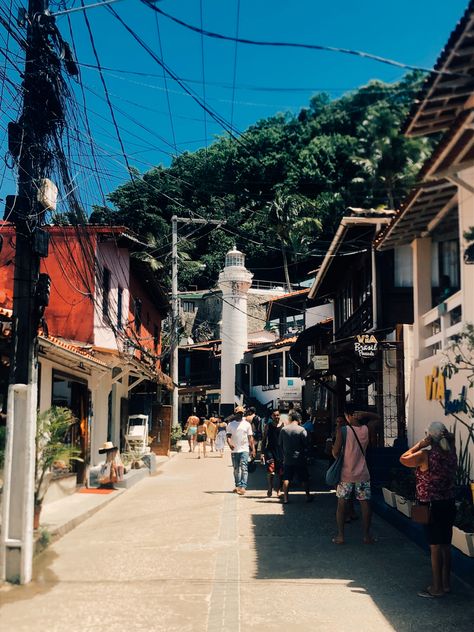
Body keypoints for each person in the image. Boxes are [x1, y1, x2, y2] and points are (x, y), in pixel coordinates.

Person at [400, 421, 457, 598]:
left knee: (434, 547)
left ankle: (436, 587)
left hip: (431, 505)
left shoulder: (425, 455)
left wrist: (420, 444)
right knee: (446, 545)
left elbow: (403, 459)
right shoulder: (451, 453)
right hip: (448, 502)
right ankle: (446, 584)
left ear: (429, 436)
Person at [332, 404, 378, 544]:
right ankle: (366, 536)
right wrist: (365, 413)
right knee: (365, 505)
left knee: (341, 505)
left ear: (348, 415)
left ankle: (341, 536)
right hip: (363, 474)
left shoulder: (343, 430)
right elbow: (378, 418)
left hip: (346, 474)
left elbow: (335, 452)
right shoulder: (366, 429)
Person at [279, 410, 312, 504]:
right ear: (298, 419)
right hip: (300, 458)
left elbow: (280, 444)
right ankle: (307, 496)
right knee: (304, 478)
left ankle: (285, 498)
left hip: (287, 458)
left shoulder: (284, 429)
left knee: (286, 478)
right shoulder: (301, 430)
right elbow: (306, 444)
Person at [226, 406, 256, 495]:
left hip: (244, 449)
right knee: (236, 469)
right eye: (238, 413)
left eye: (241, 413)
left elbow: (250, 438)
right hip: (235, 450)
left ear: (243, 414)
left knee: (244, 468)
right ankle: (237, 485)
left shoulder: (247, 424)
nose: (240, 414)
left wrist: (253, 449)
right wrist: (230, 444)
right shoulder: (230, 424)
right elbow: (228, 436)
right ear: (235, 414)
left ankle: (243, 486)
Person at [261, 409, 284, 497]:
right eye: (274, 415)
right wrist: (262, 453)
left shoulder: (283, 425)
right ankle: (270, 487)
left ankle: (278, 490)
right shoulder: (268, 426)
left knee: (280, 472)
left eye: (278, 415)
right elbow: (264, 440)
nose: (276, 417)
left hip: (281, 451)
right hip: (270, 450)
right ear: (272, 416)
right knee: (271, 471)